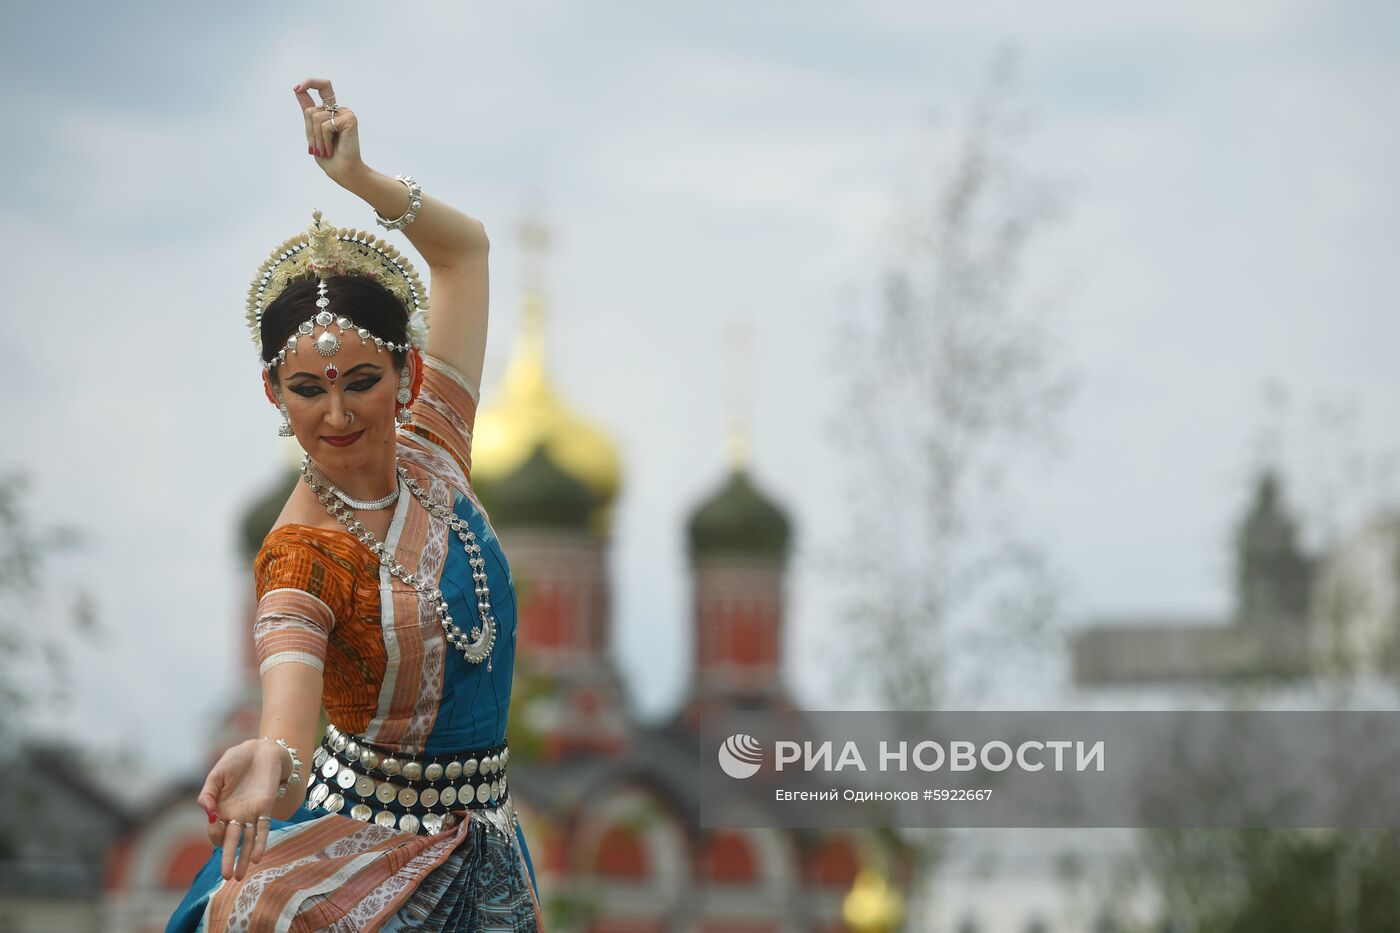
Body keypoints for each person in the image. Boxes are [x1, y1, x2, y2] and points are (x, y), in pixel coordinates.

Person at [168, 77, 545, 931]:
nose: (335, 415)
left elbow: (467, 254)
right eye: (307, 389)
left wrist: (361, 178)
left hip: (489, 853)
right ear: (274, 392)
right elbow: (290, 701)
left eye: (362, 383)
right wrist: (275, 759)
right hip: (366, 867)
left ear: (409, 376)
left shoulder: (435, 448)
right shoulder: (303, 552)